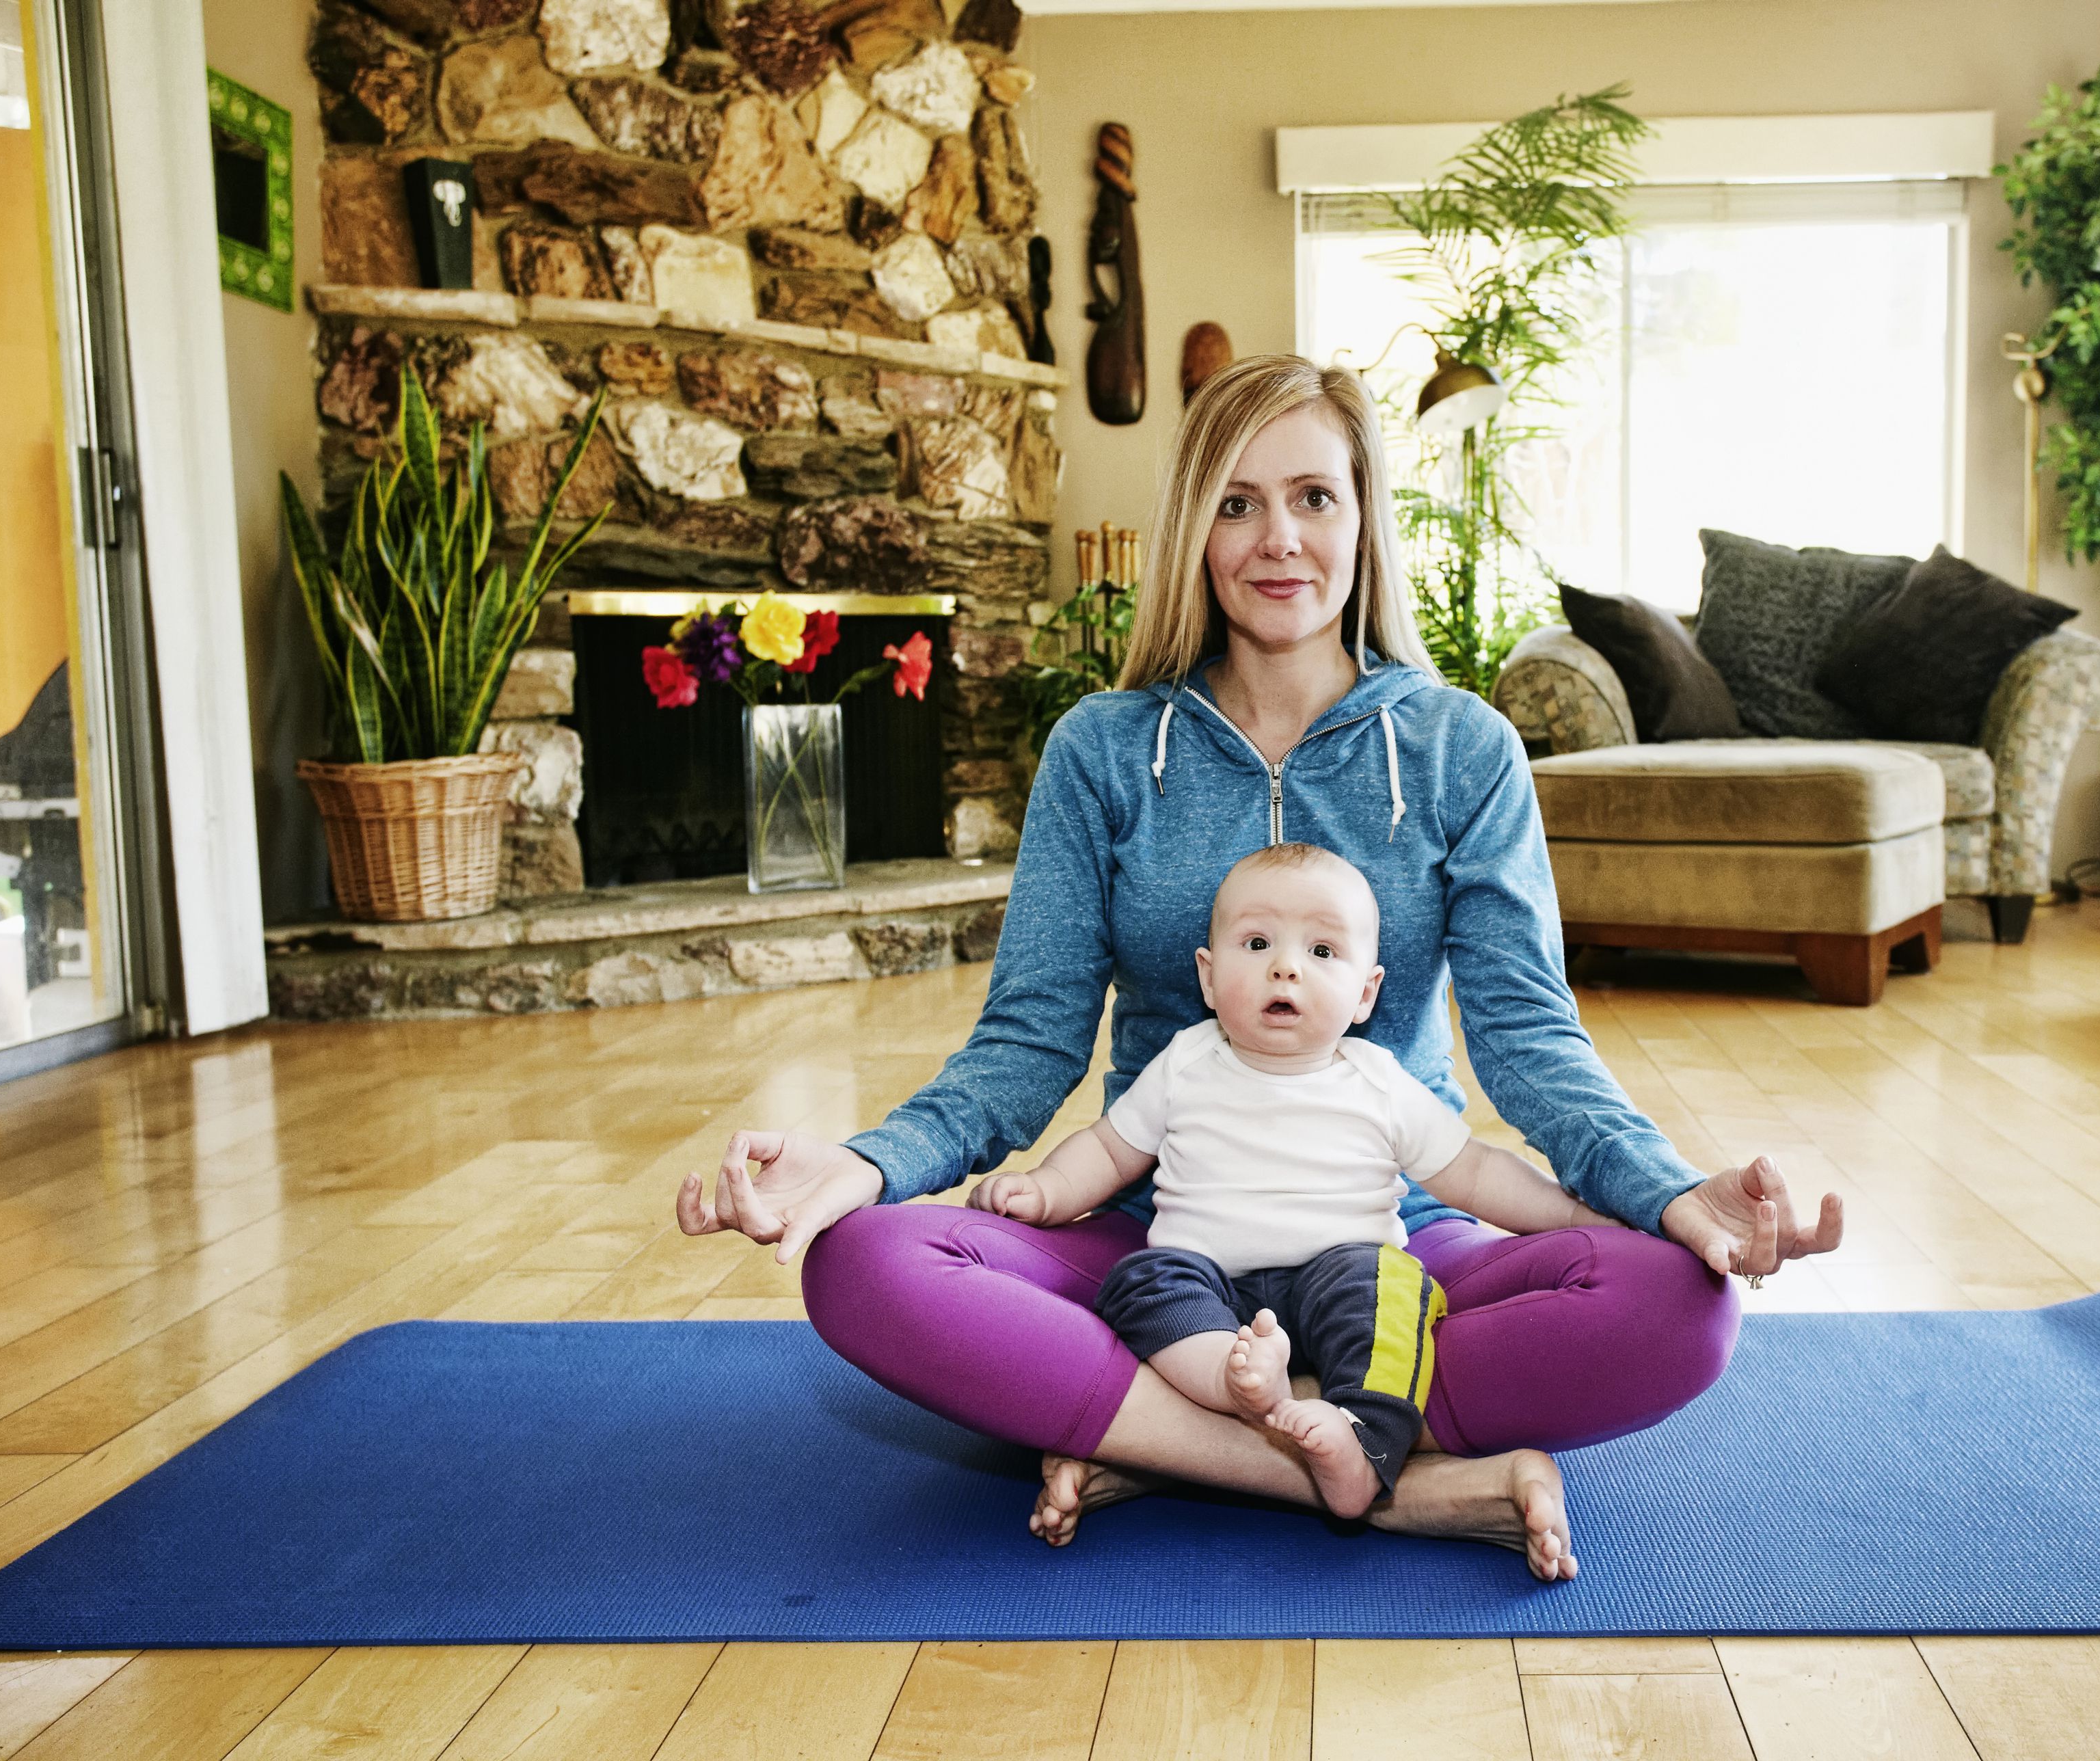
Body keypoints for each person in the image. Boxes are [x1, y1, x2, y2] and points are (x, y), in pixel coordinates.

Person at [675, 352, 1846, 1583]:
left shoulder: (1462, 750)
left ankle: (1154, 1439)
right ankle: (1384, 1484)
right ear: (1195, 529)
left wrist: (1666, 1191)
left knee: (1679, 1306)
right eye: (1236, 504)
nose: (1277, 538)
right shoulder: (1105, 752)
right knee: (864, 1263)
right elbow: (1023, 1051)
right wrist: (864, 1162)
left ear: (1362, 515)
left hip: (1393, 1243)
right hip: (1156, 1242)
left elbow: (1531, 1044)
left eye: (1313, 498)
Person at [972, 841, 1619, 1519]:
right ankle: (1234, 1380)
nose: (1284, 966)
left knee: (1395, 1292)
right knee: (1141, 1281)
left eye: (1321, 952)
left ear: (1366, 991)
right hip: (1210, 1279)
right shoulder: (1186, 1061)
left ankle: (1360, 1443)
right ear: (1208, 974)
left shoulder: (1378, 1081)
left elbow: (1477, 1171)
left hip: (1343, 1270)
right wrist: (1046, 1188)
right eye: (1255, 942)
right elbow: (1109, 1151)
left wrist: (1573, 1213)